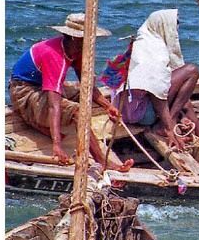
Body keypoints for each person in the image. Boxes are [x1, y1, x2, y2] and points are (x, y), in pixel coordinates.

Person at [9, 13, 133, 171]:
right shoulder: (55, 57)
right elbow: (54, 105)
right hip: (24, 91)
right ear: (75, 38)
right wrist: (57, 145)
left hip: (40, 84)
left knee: (80, 90)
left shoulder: (76, 51)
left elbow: (86, 85)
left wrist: (107, 106)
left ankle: (46, 125)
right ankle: (102, 161)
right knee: (77, 112)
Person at [113, 9, 199, 151]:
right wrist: (169, 128)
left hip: (124, 111)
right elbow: (156, 92)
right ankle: (167, 125)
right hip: (142, 114)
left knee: (185, 103)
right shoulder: (154, 50)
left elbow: (111, 79)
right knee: (192, 71)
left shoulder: (141, 43)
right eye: (174, 26)